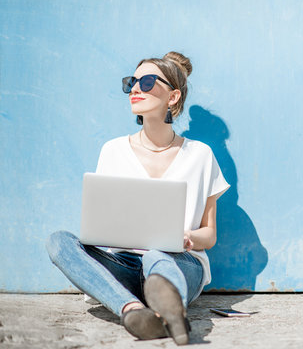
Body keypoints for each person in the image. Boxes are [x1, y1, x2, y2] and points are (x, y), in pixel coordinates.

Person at [46, 51, 229, 345]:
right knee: (58, 241)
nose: (134, 89)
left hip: (179, 262)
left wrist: (188, 237)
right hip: (126, 265)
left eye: (146, 82)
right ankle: (135, 312)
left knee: (158, 254)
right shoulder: (113, 150)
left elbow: (210, 235)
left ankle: (170, 309)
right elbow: (102, 221)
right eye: (132, 82)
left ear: (173, 97)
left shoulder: (201, 155)